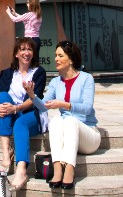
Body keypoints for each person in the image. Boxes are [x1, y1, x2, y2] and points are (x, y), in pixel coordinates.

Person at [28, 40, 100, 190]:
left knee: (69, 121)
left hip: (89, 135)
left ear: (71, 59)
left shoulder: (87, 79)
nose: (56, 59)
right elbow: (43, 107)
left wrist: (63, 104)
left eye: (60, 55)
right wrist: (32, 95)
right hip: (69, 134)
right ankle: (58, 168)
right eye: (55, 55)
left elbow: (87, 108)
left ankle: (69, 169)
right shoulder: (55, 82)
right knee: (55, 120)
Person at [0, 37, 47, 189]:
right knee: (2, 97)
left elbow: (35, 99)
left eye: (29, 49)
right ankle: (6, 154)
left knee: (20, 124)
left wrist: (16, 108)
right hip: (10, 113)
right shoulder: (8, 73)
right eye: (22, 49)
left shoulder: (39, 72)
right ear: (16, 54)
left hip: (32, 114)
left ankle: (21, 170)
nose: (26, 52)